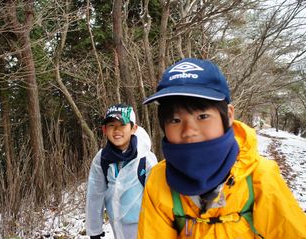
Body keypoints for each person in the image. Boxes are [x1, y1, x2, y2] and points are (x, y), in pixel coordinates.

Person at [137, 58, 306, 238]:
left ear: (229, 115)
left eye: (202, 116)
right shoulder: (159, 181)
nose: (189, 131)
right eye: (175, 120)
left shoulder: (259, 178)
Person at [86, 103, 157, 239]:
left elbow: (157, 196)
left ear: (133, 128)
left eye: (122, 125)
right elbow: (94, 195)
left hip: (145, 226)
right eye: (111, 125)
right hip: (117, 225)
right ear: (104, 130)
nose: (117, 130)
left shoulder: (145, 158)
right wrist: (94, 230)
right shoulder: (102, 159)